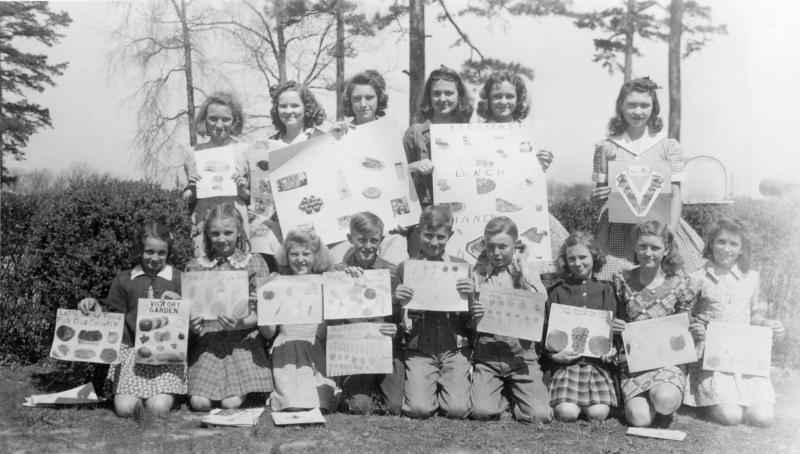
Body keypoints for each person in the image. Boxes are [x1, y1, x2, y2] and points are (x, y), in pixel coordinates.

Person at [590, 77, 704, 279]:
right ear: (621, 106)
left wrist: (669, 234)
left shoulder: (668, 146)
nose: (638, 111)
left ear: (654, 108)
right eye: (631, 105)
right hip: (618, 232)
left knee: (666, 282)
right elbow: (598, 197)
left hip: (660, 228)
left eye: (645, 105)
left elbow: (675, 194)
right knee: (616, 281)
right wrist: (596, 197)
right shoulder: (607, 146)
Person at [77, 222, 184, 418]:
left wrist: (180, 307)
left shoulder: (178, 279)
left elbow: (188, 322)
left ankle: (163, 394)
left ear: (168, 252)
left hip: (166, 356)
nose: (155, 258)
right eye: (149, 252)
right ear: (139, 250)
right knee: (125, 409)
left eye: (161, 253)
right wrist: (94, 308)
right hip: (132, 354)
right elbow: (113, 318)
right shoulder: (124, 279)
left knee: (158, 408)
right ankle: (132, 395)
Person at [684, 218, 783, 426]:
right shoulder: (698, 277)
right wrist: (695, 325)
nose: (726, 249)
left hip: (744, 357)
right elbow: (685, 315)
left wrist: (766, 323)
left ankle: (744, 399)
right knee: (732, 416)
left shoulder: (752, 278)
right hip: (712, 359)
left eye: (733, 244)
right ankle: (714, 402)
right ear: (711, 244)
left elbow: (753, 315)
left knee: (762, 417)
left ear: (742, 249)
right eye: (721, 242)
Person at [611, 220, 700, 427]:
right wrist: (617, 326)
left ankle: (663, 398)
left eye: (655, 247)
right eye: (642, 246)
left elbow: (684, 325)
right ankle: (648, 401)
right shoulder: (621, 280)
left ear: (666, 249)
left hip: (668, 361)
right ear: (635, 246)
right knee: (639, 419)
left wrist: (695, 327)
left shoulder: (680, 283)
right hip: (635, 363)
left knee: (665, 401)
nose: (648, 253)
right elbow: (619, 320)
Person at [186, 203, 272, 411]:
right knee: (200, 403)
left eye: (228, 232)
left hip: (242, 340)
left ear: (239, 231)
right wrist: (192, 325)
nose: (222, 238)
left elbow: (263, 313)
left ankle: (241, 390)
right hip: (209, 339)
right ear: (207, 233)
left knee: (230, 403)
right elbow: (189, 310)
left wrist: (239, 324)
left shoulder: (254, 262)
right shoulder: (196, 265)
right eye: (215, 233)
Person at [475, 69, 568, 261]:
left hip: (522, 205)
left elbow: (531, 177)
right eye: (497, 96)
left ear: (518, 99)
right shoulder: (475, 131)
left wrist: (543, 160)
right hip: (486, 208)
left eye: (509, 96)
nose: (503, 101)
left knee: (557, 249)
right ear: (488, 99)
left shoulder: (528, 133)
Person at [469, 216, 552, 422]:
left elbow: (541, 302)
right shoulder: (477, 274)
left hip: (521, 355)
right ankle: (503, 393)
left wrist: (523, 264)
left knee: (539, 415)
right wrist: (474, 313)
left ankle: (517, 393)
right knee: (481, 412)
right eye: (490, 246)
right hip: (488, 355)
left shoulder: (525, 272)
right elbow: (469, 320)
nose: (496, 253)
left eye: (503, 246)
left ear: (515, 245)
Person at [393, 205, 474, 419]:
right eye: (428, 235)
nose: (434, 242)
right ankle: (428, 386)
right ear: (419, 231)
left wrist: (471, 296)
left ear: (450, 236)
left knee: (457, 410)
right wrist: (397, 300)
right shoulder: (406, 268)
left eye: (440, 237)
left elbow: (471, 319)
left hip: (454, 348)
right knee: (419, 409)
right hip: (420, 348)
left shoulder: (462, 267)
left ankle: (452, 385)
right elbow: (394, 316)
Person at [329, 70, 408, 265]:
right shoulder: (338, 133)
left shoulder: (393, 132)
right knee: (340, 272)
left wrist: (403, 217)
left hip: (387, 227)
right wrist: (330, 139)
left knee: (394, 272)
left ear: (379, 99)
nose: (363, 104)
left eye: (369, 97)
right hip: (348, 229)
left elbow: (400, 178)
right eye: (357, 98)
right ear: (350, 102)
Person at [331, 212, 404, 415]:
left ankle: (381, 387)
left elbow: (401, 320)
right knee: (358, 407)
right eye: (361, 240)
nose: (367, 246)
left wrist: (396, 328)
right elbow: (332, 320)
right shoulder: (338, 272)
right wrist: (340, 283)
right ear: (350, 239)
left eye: (374, 240)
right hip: (355, 351)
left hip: (385, 350)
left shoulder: (392, 272)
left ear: (381, 240)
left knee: (393, 408)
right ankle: (352, 389)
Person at [261, 229, 337, 412]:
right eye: (294, 254)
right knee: (291, 403)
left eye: (306, 253)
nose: (300, 259)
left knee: (319, 402)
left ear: (316, 256)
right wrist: (262, 309)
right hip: (286, 350)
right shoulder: (276, 282)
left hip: (315, 347)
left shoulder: (325, 282)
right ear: (286, 257)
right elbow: (269, 332)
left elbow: (328, 330)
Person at [544, 231, 618, 422]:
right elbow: (547, 331)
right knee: (567, 413)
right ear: (565, 260)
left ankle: (589, 403)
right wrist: (553, 355)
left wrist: (610, 351)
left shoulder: (606, 290)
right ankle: (571, 403)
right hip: (567, 365)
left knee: (598, 414)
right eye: (572, 258)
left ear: (594, 256)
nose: (578, 263)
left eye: (583, 257)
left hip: (597, 365)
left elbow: (611, 332)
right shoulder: (557, 290)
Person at [183, 92, 252, 258]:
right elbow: (187, 200)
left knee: (238, 268)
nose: (219, 124)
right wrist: (192, 189)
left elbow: (256, 200)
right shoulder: (193, 153)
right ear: (204, 120)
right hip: (204, 220)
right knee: (204, 268)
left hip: (235, 219)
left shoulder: (246, 151)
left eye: (226, 119)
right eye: (213, 118)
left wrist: (242, 189)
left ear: (234, 121)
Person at [403, 66, 474, 208]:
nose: (442, 99)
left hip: (464, 209)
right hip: (426, 213)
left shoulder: (471, 133)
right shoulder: (414, 133)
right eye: (436, 93)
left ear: (459, 96)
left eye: (448, 93)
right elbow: (396, 175)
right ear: (429, 97)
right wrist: (413, 166)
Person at [268, 81, 327, 147]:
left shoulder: (323, 140)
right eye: (283, 106)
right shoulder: (266, 145)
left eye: (295, 106)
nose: (288, 111)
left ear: (306, 108)